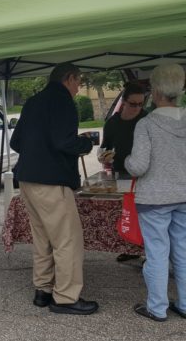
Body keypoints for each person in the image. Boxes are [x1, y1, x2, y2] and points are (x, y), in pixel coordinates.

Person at [10, 62, 98, 315]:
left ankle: (43, 290)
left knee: (43, 239)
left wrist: (38, 151)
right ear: (68, 78)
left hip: (27, 179)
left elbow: (16, 142)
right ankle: (66, 297)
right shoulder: (63, 101)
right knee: (67, 240)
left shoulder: (33, 101)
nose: (78, 87)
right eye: (78, 81)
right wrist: (84, 144)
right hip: (52, 182)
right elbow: (64, 141)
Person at [124, 63, 186, 322]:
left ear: (156, 90)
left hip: (155, 198)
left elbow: (138, 165)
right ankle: (183, 304)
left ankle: (157, 308)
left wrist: (126, 160)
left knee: (157, 253)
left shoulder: (146, 124)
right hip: (184, 196)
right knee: (183, 251)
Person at [99, 82, 148, 262]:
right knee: (126, 213)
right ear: (124, 102)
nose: (137, 108)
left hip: (144, 174)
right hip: (121, 172)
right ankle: (130, 248)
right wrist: (103, 156)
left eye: (141, 104)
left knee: (143, 213)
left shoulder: (146, 119)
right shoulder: (112, 123)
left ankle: (146, 248)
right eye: (133, 104)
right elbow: (105, 146)